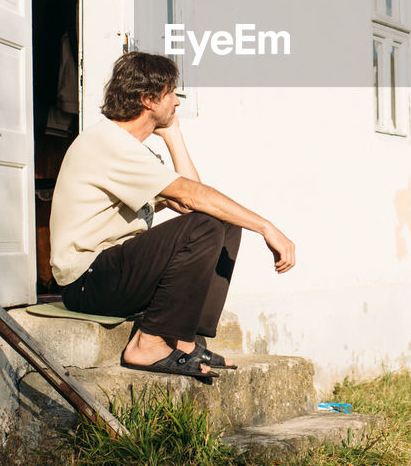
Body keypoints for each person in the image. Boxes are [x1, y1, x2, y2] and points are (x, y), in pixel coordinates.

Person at [48, 51, 295, 380]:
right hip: (86, 282)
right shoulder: (107, 143)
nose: (177, 102)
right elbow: (193, 196)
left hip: (113, 273)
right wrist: (267, 227)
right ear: (149, 99)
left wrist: (174, 136)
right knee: (204, 224)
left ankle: (184, 338)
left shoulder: (135, 149)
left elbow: (193, 197)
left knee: (222, 223)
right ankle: (148, 343)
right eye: (171, 93)